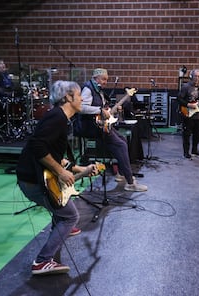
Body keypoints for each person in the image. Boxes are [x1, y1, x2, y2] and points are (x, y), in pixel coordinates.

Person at [16, 80, 98, 275]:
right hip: (32, 180)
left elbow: (56, 156)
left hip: (34, 177)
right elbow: (37, 146)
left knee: (64, 214)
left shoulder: (61, 118)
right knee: (71, 217)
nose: (82, 100)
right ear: (68, 97)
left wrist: (80, 169)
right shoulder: (57, 118)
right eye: (79, 96)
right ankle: (42, 261)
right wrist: (61, 172)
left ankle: (60, 229)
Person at [77, 68, 147, 192]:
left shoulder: (97, 89)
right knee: (120, 145)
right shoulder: (88, 89)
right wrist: (100, 110)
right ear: (96, 78)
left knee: (123, 141)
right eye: (103, 79)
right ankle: (130, 183)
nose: (105, 82)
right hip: (91, 127)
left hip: (99, 125)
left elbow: (100, 107)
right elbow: (81, 108)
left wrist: (107, 109)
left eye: (107, 80)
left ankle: (121, 173)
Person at [177, 69, 199, 159]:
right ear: (191, 77)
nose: (197, 78)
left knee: (198, 133)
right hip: (188, 113)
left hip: (198, 113)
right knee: (187, 133)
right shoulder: (185, 87)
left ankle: (194, 150)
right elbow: (179, 99)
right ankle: (186, 152)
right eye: (195, 76)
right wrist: (188, 104)